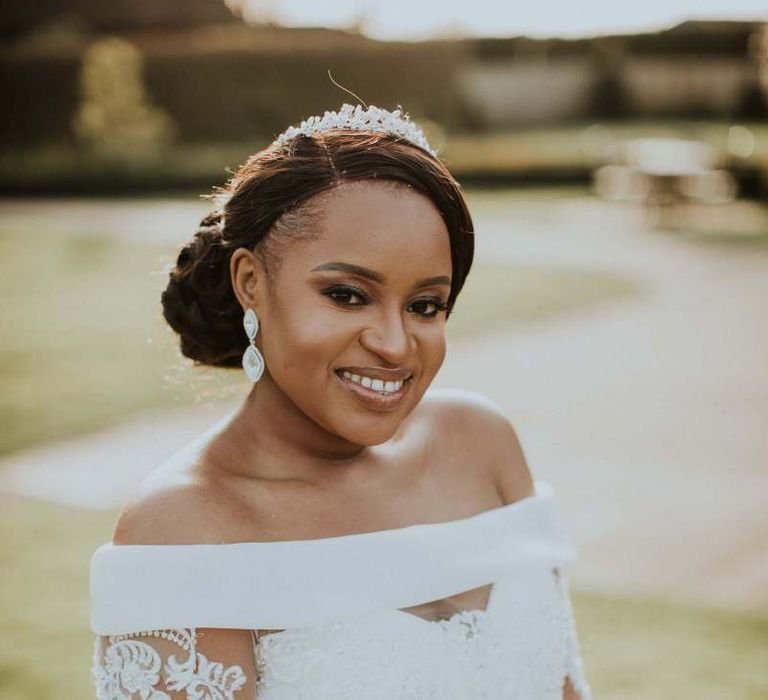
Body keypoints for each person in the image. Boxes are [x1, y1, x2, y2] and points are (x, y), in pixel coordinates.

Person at [89, 103, 593, 700]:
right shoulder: (184, 527)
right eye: (348, 295)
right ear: (251, 281)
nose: (395, 344)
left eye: (425, 305)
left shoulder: (481, 443)